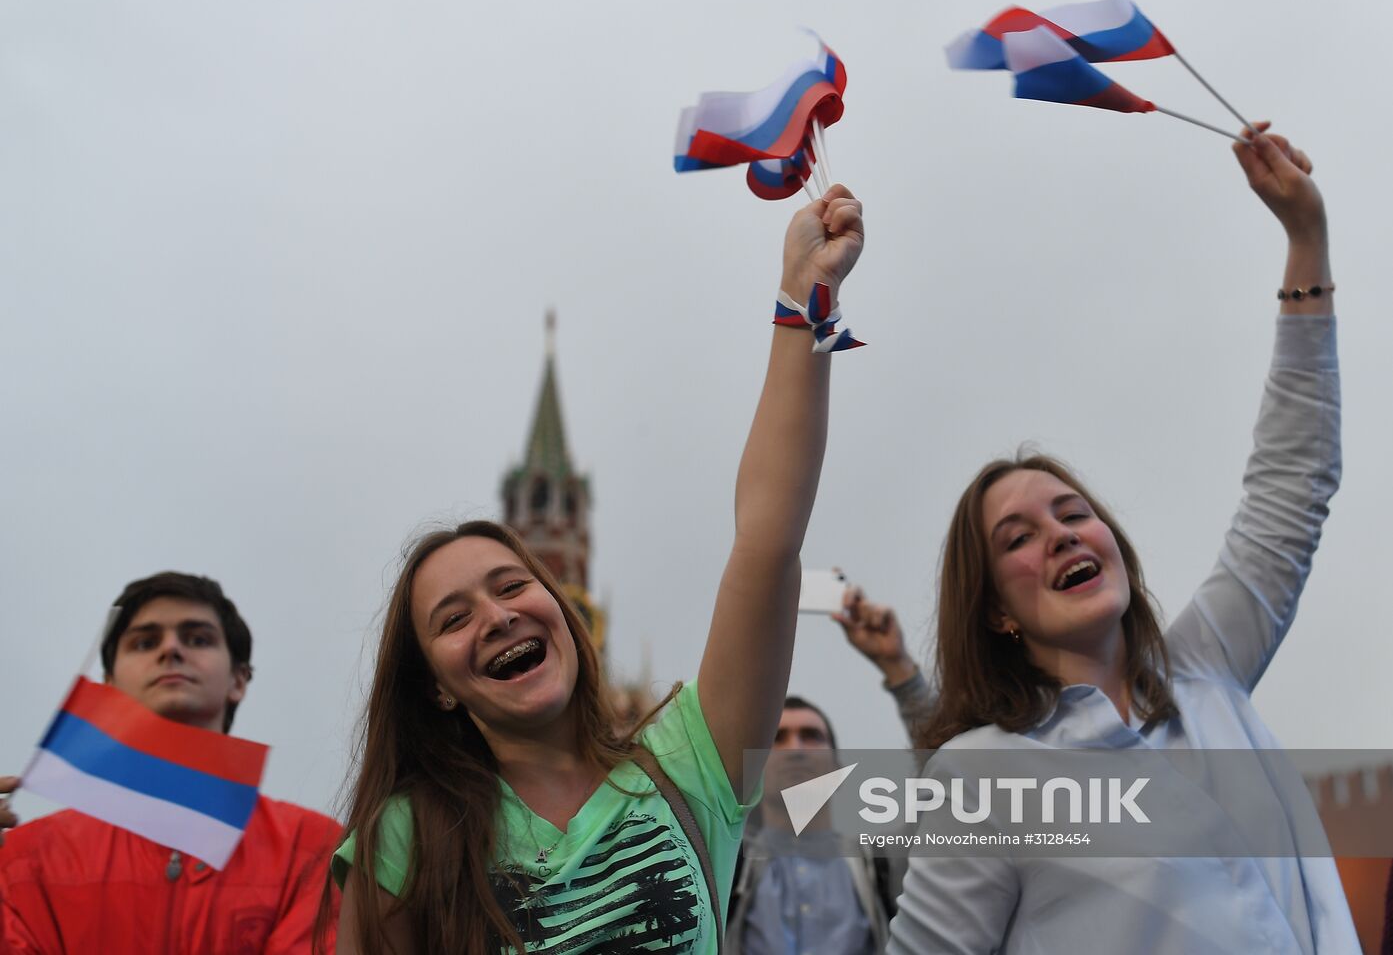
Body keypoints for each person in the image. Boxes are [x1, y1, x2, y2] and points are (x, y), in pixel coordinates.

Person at [330, 185, 867, 954]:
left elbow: (767, 538)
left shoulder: (688, 763)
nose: (497, 615)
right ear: (435, 686)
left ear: (565, 609)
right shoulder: (407, 838)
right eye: (453, 618)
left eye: (514, 584)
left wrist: (803, 294)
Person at [886, 125, 1359, 953]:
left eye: (1073, 513)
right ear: (994, 609)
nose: (1061, 536)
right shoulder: (985, 775)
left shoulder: (1206, 668)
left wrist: (1304, 239)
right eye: (1017, 538)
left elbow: (1290, 483)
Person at [0, 571, 343, 953]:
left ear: (238, 680)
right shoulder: (22, 861)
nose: (171, 650)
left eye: (198, 638)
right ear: (109, 683)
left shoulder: (314, 847)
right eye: (145, 642)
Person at [727, 588, 934, 955]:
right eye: (778, 738)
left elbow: (952, 778)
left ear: (838, 766)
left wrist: (898, 666)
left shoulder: (881, 866)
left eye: (812, 736)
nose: (796, 750)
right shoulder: (726, 868)